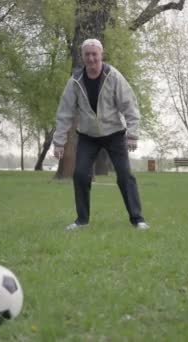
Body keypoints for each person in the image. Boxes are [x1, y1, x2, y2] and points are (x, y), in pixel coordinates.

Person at [53, 38, 149, 231]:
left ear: (101, 55)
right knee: (80, 174)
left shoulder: (113, 76)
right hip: (88, 135)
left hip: (114, 133)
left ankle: (137, 219)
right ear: (83, 57)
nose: (91, 58)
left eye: (94, 54)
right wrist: (59, 142)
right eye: (87, 54)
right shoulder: (75, 81)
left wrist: (132, 134)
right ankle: (82, 220)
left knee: (124, 175)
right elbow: (65, 112)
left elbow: (129, 104)